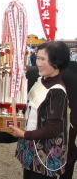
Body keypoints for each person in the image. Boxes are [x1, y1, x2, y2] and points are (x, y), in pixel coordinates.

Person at [9, 41, 70, 179]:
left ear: (57, 62)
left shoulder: (57, 91)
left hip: (45, 154)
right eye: (37, 58)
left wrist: (24, 134)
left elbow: (54, 129)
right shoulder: (41, 80)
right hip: (32, 147)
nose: (38, 63)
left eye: (43, 59)